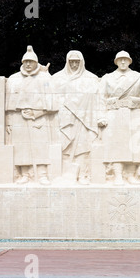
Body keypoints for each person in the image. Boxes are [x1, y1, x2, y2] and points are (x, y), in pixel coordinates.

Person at [6, 45, 57, 185]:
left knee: (40, 146)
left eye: (31, 61)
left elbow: (52, 103)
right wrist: (9, 122)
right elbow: (9, 107)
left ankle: (42, 174)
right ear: (22, 63)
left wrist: (37, 113)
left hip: (38, 118)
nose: (28, 64)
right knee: (21, 147)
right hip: (19, 118)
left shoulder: (45, 78)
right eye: (25, 61)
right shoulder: (13, 79)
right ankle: (25, 174)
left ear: (36, 63)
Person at [98, 51, 140, 185]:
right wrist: (101, 116)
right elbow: (101, 99)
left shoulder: (139, 77)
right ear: (116, 61)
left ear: (129, 61)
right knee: (116, 145)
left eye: (125, 60)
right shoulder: (107, 78)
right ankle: (118, 175)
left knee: (134, 145)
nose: (122, 62)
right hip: (114, 114)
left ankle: (131, 175)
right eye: (120, 60)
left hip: (134, 114)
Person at [52, 50, 99, 185]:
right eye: (71, 61)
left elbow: (97, 98)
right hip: (65, 120)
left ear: (81, 62)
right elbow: (51, 97)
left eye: (76, 62)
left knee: (83, 147)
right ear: (67, 62)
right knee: (65, 146)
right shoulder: (57, 78)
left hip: (84, 121)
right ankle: (65, 173)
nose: (73, 64)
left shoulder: (91, 78)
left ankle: (83, 174)